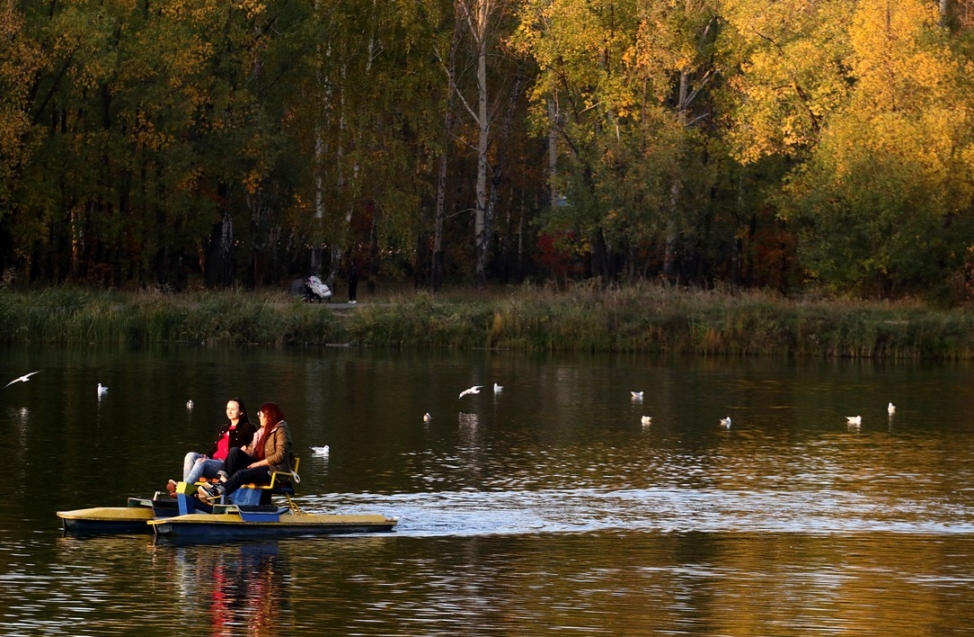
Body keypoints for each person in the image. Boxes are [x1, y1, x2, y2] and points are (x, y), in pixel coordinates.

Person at [198, 402, 293, 504]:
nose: (259, 417)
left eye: (260, 414)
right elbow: (251, 450)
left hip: (274, 471)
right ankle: (222, 482)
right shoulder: (261, 432)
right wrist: (243, 451)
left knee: (241, 474)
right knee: (234, 451)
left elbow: (280, 455)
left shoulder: (281, 430)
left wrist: (258, 464)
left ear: (268, 416)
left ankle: (217, 492)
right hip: (259, 466)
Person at [171, 399, 257, 492]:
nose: (229, 411)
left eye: (233, 409)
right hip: (213, 461)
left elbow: (254, 445)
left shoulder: (248, 428)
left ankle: (184, 488)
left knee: (201, 462)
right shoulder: (223, 429)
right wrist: (207, 455)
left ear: (241, 412)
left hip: (226, 466)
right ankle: (187, 488)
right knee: (190, 455)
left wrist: (245, 448)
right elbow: (214, 449)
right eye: (228, 408)